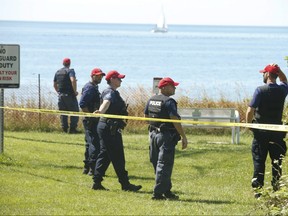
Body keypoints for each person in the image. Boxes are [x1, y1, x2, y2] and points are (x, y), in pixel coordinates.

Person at [91, 70, 142, 192]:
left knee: (106, 155)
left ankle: (97, 182)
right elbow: (106, 102)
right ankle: (125, 184)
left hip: (107, 127)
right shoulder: (110, 92)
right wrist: (101, 111)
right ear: (112, 79)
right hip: (110, 128)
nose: (120, 80)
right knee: (118, 156)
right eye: (118, 78)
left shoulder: (112, 92)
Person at [246, 64, 288, 197]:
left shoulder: (260, 90)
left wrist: (249, 125)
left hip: (261, 132)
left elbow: (250, 110)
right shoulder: (282, 90)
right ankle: (277, 188)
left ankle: (258, 191)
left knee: (259, 160)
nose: (262, 75)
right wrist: (279, 70)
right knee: (277, 161)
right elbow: (285, 81)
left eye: (264, 73)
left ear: (268, 75)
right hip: (277, 132)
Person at [144, 77, 188, 200]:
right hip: (165, 137)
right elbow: (175, 119)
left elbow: (146, 116)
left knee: (157, 163)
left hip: (153, 135)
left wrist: (155, 126)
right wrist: (183, 136)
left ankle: (166, 191)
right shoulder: (169, 101)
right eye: (172, 86)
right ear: (164, 87)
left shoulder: (151, 99)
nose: (175, 88)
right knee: (164, 165)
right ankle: (157, 194)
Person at [79, 68, 105, 175]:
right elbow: (82, 103)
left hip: (91, 120)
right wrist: (90, 116)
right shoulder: (90, 88)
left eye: (101, 76)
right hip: (90, 120)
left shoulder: (94, 87)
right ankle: (92, 169)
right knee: (95, 144)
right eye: (98, 75)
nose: (100, 77)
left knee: (89, 143)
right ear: (92, 76)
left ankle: (87, 167)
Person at [53, 58, 79, 133]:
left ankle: (64, 129)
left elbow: (54, 84)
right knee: (74, 112)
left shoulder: (58, 72)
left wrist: (58, 91)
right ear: (69, 63)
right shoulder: (70, 71)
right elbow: (72, 80)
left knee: (63, 113)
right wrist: (75, 92)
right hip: (70, 95)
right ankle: (72, 129)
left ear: (63, 63)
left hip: (61, 96)